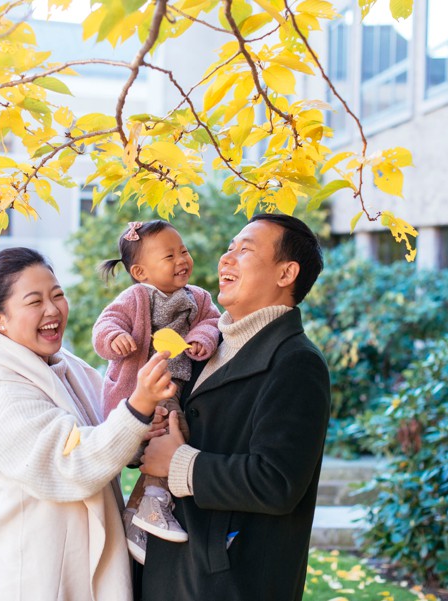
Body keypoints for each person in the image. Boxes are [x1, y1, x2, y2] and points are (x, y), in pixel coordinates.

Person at [0, 247, 176, 601]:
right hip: (38, 579)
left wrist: (144, 427)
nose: (52, 310)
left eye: (57, 294)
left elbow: (107, 429)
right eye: (34, 301)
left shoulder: (65, 365)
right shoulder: (1, 392)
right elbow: (70, 462)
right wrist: (137, 408)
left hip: (81, 567)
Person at [139, 213, 331, 601]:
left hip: (230, 581)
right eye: (229, 249)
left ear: (286, 273)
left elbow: (277, 482)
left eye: (244, 250)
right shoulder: (204, 347)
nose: (226, 259)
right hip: (171, 569)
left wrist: (177, 463)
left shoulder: (296, 362)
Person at [93, 220, 220, 559]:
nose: (182, 260)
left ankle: (138, 520)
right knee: (172, 436)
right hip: (137, 392)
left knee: (171, 437)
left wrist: (200, 339)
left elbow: (212, 321)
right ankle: (152, 507)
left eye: (184, 251)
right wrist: (114, 338)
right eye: (169, 255)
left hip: (170, 390)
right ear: (140, 271)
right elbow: (106, 324)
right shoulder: (135, 297)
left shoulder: (198, 297)